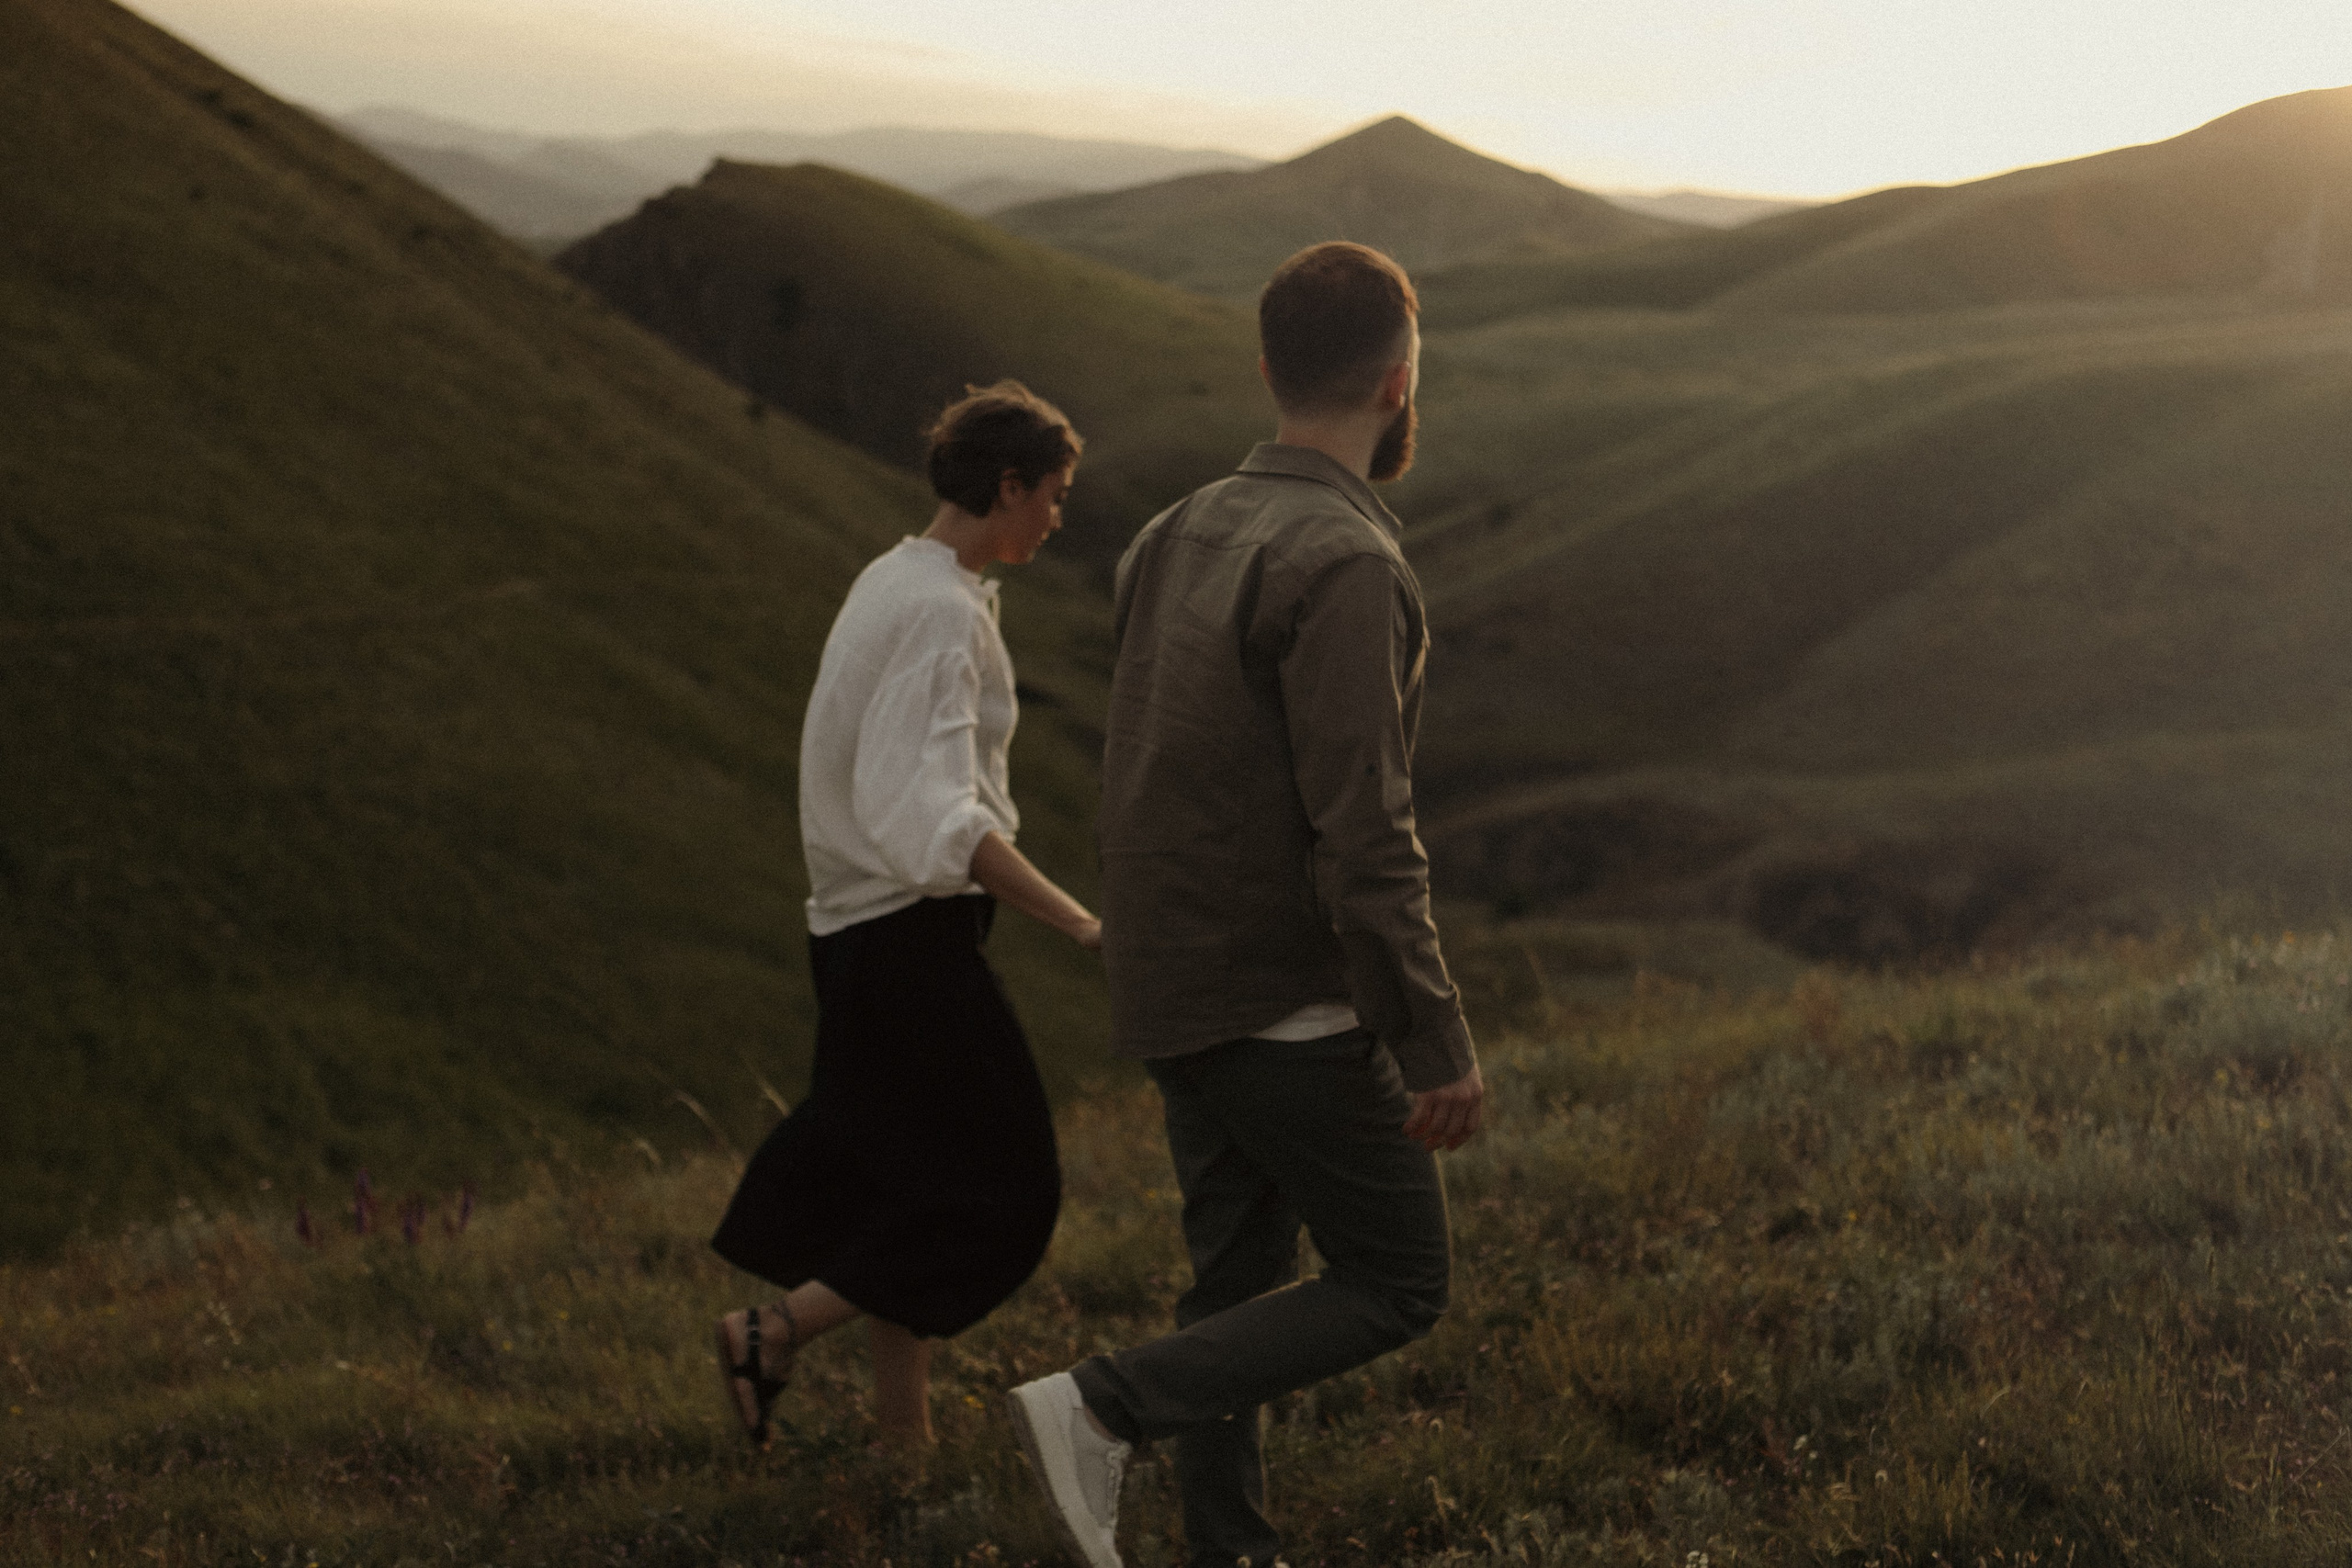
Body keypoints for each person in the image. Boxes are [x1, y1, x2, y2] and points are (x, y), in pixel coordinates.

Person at [1007, 243, 1484, 1568]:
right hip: (1283, 1000)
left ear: (1271, 367)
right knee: (1399, 1279)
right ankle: (1102, 1404)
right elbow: (1365, 833)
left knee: (1233, 1285)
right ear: (1398, 382)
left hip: (1172, 982)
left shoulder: (1177, 530)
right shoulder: (1344, 560)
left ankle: (1230, 1547)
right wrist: (1433, 1038)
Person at [711, 380, 1102, 1452]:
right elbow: (934, 821)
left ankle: (904, 1444)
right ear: (1008, 485)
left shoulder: (901, 578)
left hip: (852, 934)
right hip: (904, 941)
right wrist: (1081, 925)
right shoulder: (935, 612)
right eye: (1053, 495)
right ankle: (773, 1328)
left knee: (910, 1181)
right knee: (1008, 1188)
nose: (1058, 518)